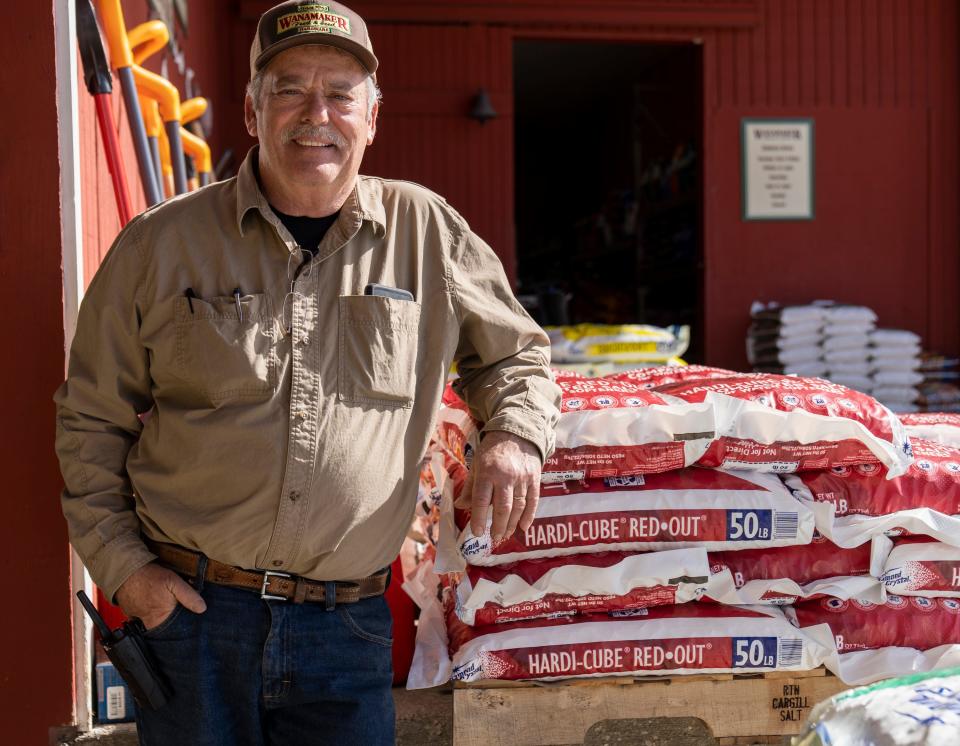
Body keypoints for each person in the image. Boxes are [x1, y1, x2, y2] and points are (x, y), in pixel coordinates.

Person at [53, 1, 560, 743]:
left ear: (372, 116)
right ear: (254, 113)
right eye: (289, 89)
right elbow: (89, 419)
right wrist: (130, 575)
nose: (314, 113)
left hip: (344, 627)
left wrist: (514, 435)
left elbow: (516, 353)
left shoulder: (427, 233)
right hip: (192, 618)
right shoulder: (161, 246)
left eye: (339, 94)